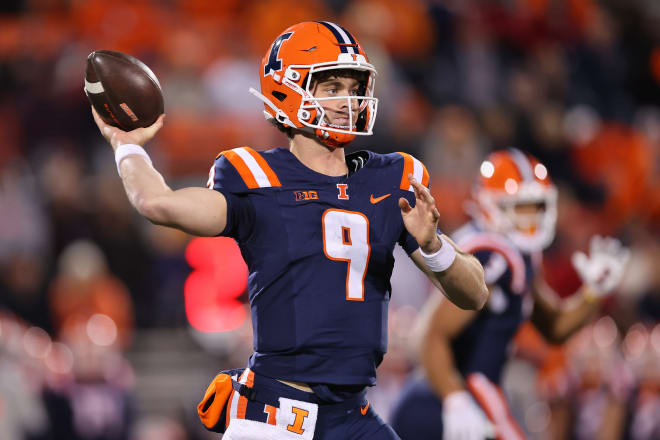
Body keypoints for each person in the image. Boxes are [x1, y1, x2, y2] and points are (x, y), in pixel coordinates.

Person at [90, 21, 489, 440]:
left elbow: (475, 293)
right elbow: (157, 203)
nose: (348, 99)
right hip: (277, 416)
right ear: (286, 90)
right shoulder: (258, 177)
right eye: (331, 87)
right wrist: (126, 145)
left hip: (354, 415)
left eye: (353, 86)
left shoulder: (392, 178)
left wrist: (432, 245)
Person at [389, 148, 631, 440]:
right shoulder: (491, 255)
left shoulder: (519, 253)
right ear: (492, 207)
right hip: (443, 401)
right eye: (521, 208)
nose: (531, 218)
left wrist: (593, 292)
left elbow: (554, 326)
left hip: (471, 395)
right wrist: (455, 399)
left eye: (537, 207)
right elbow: (428, 335)